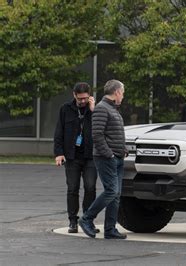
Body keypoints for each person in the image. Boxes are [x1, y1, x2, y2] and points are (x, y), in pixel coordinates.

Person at [78, 79, 128, 239]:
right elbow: (97, 135)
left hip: (117, 157)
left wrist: (123, 150)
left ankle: (110, 230)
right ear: (117, 92)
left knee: (116, 194)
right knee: (111, 191)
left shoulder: (113, 109)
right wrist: (110, 154)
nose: (123, 97)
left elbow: (113, 133)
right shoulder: (101, 108)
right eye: (123, 93)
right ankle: (86, 219)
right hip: (106, 158)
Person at [53, 82, 98, 234]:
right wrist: (58, 153)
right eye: (80, 99)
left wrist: (93, 110)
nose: (83, 101)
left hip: (91, 156)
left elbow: (100, 128)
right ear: (74, 95)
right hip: (72, 157)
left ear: (90, 96)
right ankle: (73, 221)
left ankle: (88, 220)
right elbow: (59, 131)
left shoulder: (95, 110)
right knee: (72, 189)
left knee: (90, 187)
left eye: (85, 98)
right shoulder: (65, 109)